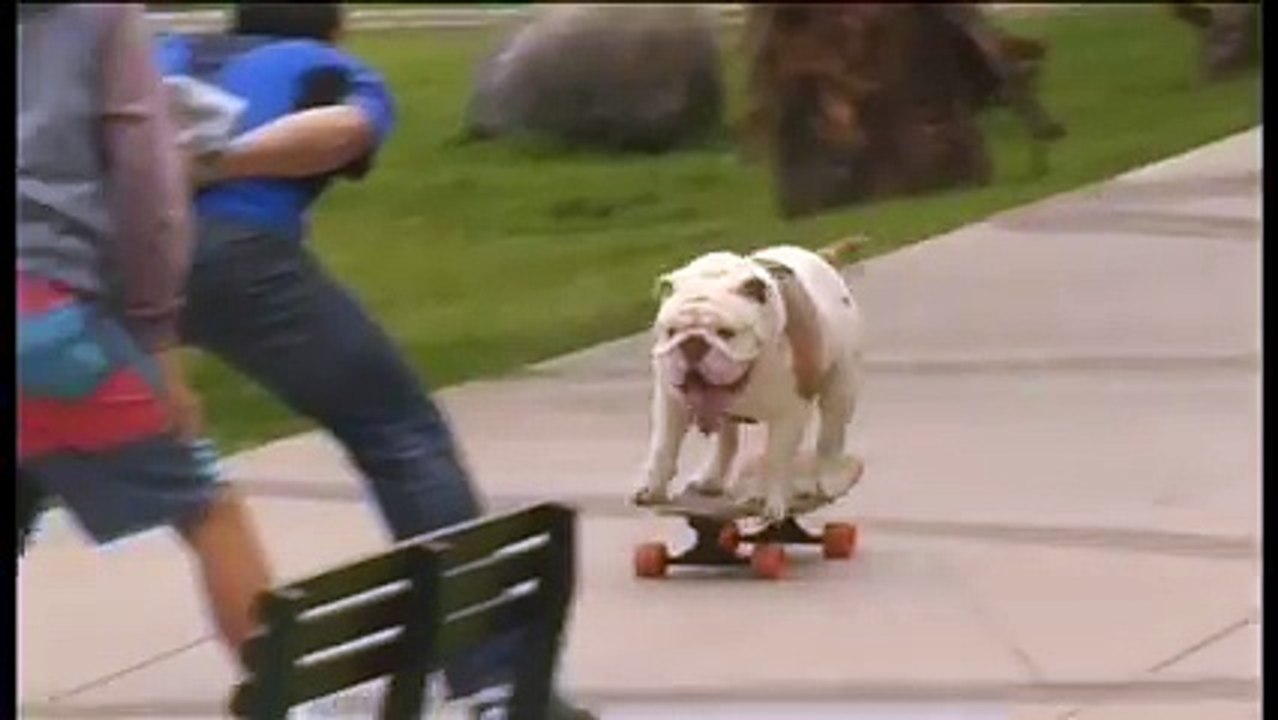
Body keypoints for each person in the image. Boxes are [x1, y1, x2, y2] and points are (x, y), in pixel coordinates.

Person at [152, 5, 593, 718]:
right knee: (400, 435)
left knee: (48, 449)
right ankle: (492, 682)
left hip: (100, 271)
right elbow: (344, 131)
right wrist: (209, 164)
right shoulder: (328, 69)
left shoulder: (162, 52)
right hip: (238, 257)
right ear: (335, 23)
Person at [17, 3, 272, 664]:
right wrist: (159, 337)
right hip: (45, 316)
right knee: (207, 507)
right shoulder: (102, 16)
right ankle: (293, 702)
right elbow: (148, 183)